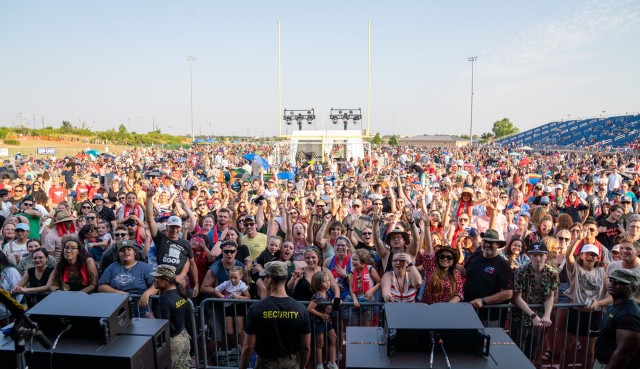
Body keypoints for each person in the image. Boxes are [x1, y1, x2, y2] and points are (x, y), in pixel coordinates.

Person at [240, 261, 311, 369]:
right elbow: (306, 347)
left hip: (265, 364)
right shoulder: (300, 309)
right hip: (290, 363)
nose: (264, 280)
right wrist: (302, 366)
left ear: (270, 279)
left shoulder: (256, 308)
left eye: (265, 277)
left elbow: (248, 346)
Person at [563, 234, 608, 369]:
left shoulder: (601, 271)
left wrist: (599, 303)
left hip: (594, 314)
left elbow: (611, 294)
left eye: (594, 255)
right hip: (576, 313)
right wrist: (577, 239)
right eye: (587, 254)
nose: (591, 257)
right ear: (581, 255)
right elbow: (568, 255)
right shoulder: (575, 268)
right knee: (568, 349)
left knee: (590, 352)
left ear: (597, 257)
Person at [511, 240, 559, 362]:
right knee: (515, 351)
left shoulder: (552, 273)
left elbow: (550, 296)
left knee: (531, 352)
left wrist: (547, 315)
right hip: (520, 316)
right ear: (529, 255)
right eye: (535, 255)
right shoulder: (520, 272)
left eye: (541, 255)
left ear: (546, 255)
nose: (538, 258)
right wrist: (533, 315)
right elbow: (517, 297)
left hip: (539, 319)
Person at [146, 186, 199, 297]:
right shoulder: (160, 239)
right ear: (167, 227)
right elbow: (150, 220)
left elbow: (193, 264)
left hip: (180, 286)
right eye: (172, 227)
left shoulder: (185, 243)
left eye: (177, 227)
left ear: (180, 228)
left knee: (180, 308)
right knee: (163, 308)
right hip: (163, 284)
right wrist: (149, 198)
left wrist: (197, 284)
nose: (174, 230)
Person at [463, 229, 514, 327]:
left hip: (489, 316)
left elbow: (508, 293)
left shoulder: (503, 265)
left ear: (498, 245)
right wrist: (451, 263)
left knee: (487, 341)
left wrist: (483, 300)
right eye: (485, 241)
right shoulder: (477, 255)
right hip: (468, 310)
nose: (487, 244)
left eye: (491, 242)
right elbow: (465, 272)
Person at [593, 269, 640, 369]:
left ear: (633, 288)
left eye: (620, 282)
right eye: (612, 280)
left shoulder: (629, 314)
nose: (613, 284)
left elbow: (624, 352)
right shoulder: (616, 306)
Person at [98, 240, 156, 317]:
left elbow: (156, 285)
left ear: (134, 252)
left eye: (129, 249)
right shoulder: (112, 267)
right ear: (118, 254)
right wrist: (118, 293)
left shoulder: (145, 267)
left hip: (141, 310)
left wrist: (147, 293)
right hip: (118, 310)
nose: (126, 252)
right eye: (122, 250)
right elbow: (102, 286)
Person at [149, 265, 191, 369]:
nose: (153, 280)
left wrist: (150, 317)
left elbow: (163, 326)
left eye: (156, 278)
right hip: (184, 338)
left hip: (173, 343)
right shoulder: (180, 291)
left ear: (166, 281)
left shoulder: (164, 300)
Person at [212, 266, 250, 348]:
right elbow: (216, 290)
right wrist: (224, 297)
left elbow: (248, 297)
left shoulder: (242, 285)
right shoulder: (226, 283)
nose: (233, 280)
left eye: (235, 278)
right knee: (229, 331)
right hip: (228, 307)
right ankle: (234, 348)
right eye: (231, 277)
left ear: (241, 276)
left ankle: (244, 350)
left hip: (238, 307)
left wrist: (238, 297)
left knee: (240, 331)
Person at [307, 271, 339, 369]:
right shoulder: (317, 295)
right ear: (319, 283)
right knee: (320, 343)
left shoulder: (327, 293)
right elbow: (309, 308)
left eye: (328, 280)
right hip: (319, 322)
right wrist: (321, 314)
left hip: (327, 321)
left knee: (333, 338)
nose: (328, 283)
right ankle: (319, 364)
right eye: (326, 281)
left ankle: (332, 363)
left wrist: (331, 304)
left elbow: (328, 305)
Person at [347, 249, 380, 326]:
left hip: (368, 303)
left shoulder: (370, 269)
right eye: (352, 259)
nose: (352, 262)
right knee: (354, 328)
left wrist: (372, 291)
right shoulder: (352, 271)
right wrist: (355, 300)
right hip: (356, 303)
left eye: (355, 260)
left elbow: (379, 282)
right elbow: (351, 288)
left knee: (366, 330)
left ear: (362, 261)